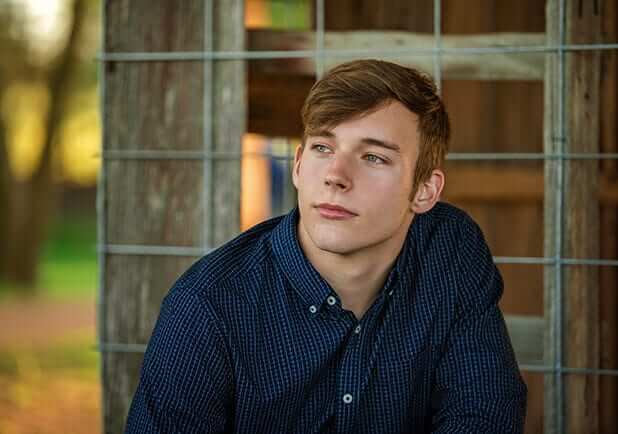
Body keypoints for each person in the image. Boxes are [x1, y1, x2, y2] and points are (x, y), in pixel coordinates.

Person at [125, 59, 527, 433]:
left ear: (424, 191)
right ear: (298, 165)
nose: (336, 175)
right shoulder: (207, 306)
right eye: (323, 148)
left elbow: (485, 410)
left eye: (372, 157)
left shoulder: (449, 248)